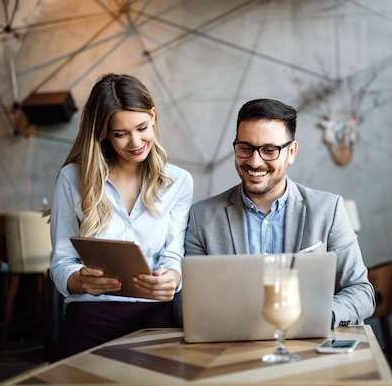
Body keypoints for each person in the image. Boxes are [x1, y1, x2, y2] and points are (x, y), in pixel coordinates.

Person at [184, 98, 374, 327]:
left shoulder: (328, 210)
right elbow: (184, 301)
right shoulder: (201, 217)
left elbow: (361, 292)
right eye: (245, 148)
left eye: (269, 150)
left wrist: (322, 316)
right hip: (232, 348)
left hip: (308, 348)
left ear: (291, 152)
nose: (255, 161)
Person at [48, 73, 193, 361]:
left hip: (155, 319)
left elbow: (173, 256)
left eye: (142, 128)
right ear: (102, 133)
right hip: (89, 316)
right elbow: (61, 263)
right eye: (120, 134)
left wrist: (173, 278)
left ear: (153, 116)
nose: (135, 142)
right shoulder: (72, 179)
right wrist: (79, 280)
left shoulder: (178, 182)